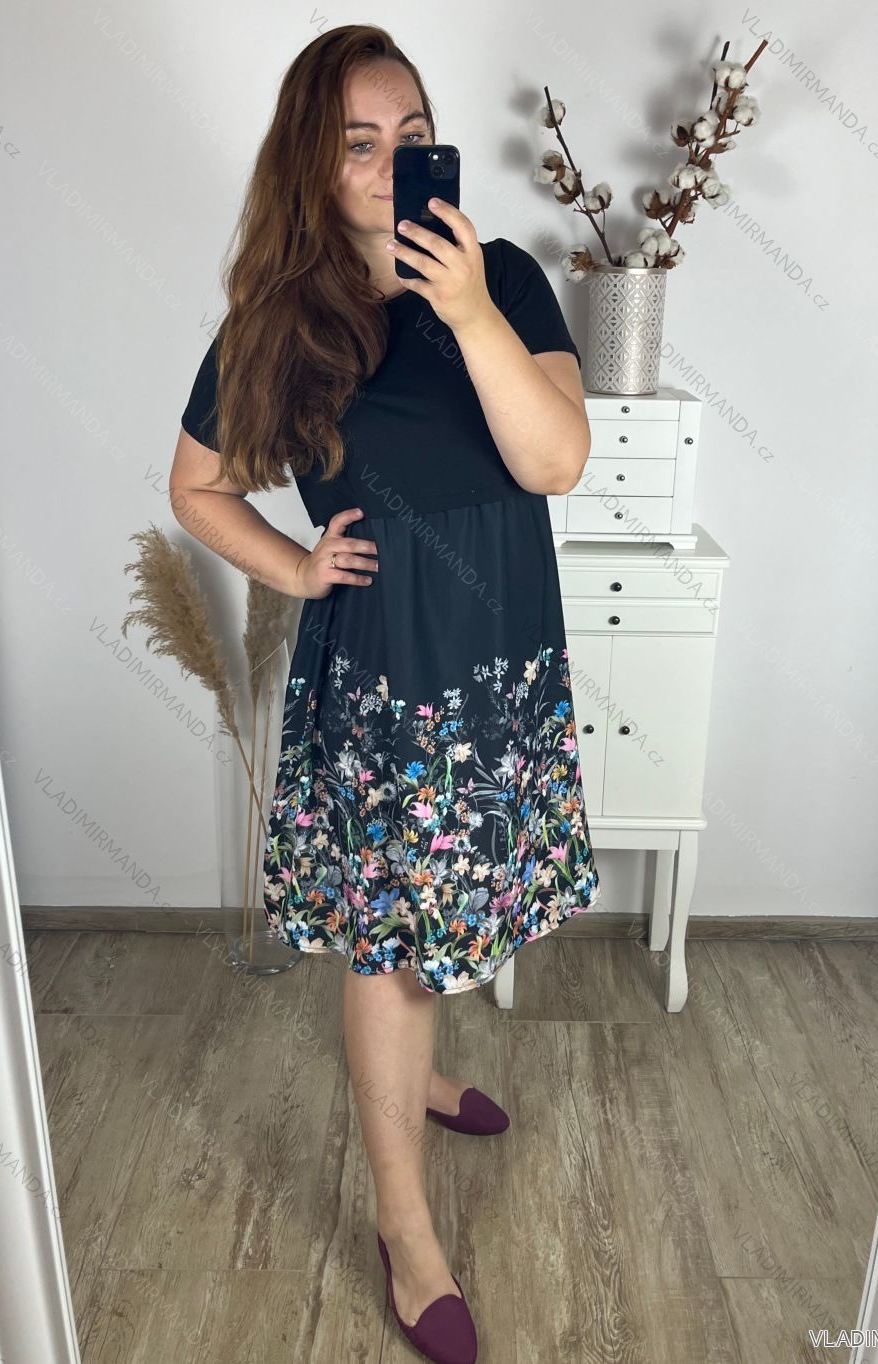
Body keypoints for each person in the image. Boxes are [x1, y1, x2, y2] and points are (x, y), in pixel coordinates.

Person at [171, 24, 601, 1364]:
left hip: (503, 660)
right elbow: (194, 487)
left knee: (450, 912)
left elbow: (556, 461)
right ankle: (405, 1234)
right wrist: (296, 568)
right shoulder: (279, 326)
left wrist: (466, 310)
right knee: (389, 950)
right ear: (311, 162)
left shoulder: (503, 276)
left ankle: (419, 1077)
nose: (390, 161)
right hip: (388, 678)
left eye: (411, 136)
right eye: (359, 142)